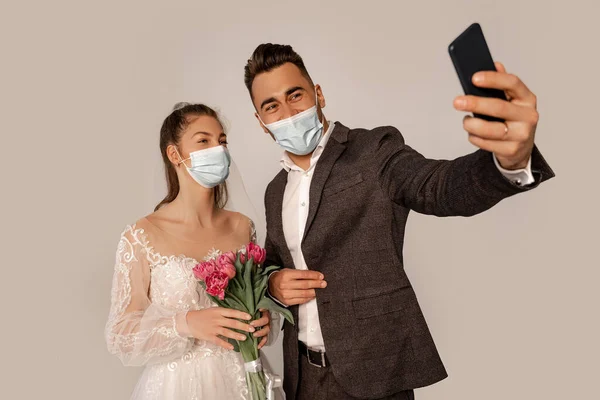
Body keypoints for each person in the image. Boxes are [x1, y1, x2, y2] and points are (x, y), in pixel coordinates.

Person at [243, 44, 555, 400]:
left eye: (295, 95)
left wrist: (509, 160)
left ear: (318, 94)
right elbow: (270, 265)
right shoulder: (275, 190)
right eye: (272, 106)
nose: (287, 112)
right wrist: (274, 285)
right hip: (303, 379)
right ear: (261, 121)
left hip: (376, 375)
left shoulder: (374, 151)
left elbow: (439, 186)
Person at [105, 103, 279, 399]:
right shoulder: (141, 235)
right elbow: (120, 336)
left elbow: (258, 299)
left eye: (222, 141)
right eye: (203, 141)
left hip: (244, 378)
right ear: (174, 155)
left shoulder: (242, 227)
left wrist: (264, 319)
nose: (218, 149)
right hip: (177, 387)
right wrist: (186, 323)